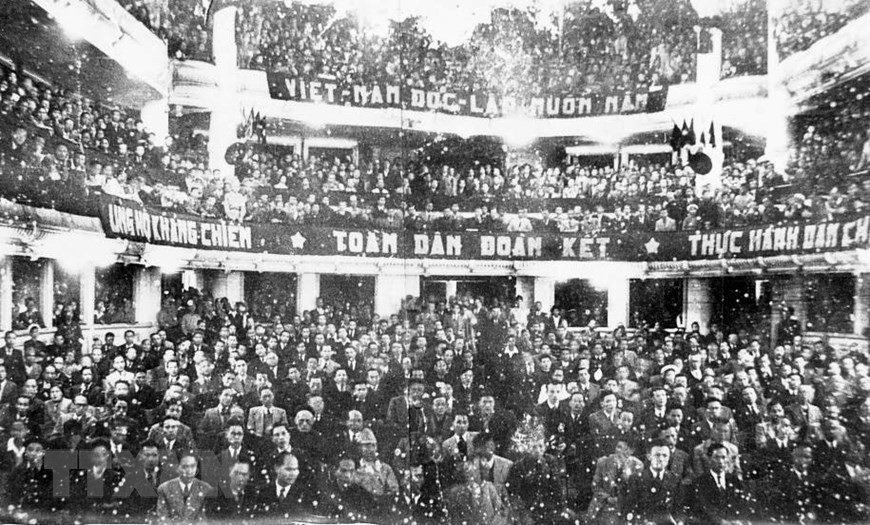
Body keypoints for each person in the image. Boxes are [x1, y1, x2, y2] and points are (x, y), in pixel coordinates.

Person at [156, 452, 214, 522]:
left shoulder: (206, 489)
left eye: (193, 466)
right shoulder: (164, 489)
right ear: (177, 467)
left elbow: (207, 519)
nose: (189, 470)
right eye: (185, 467)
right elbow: (163, 518)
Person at [444, 459, 504, 525]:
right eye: (465, 473)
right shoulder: (454, 492)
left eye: (469, 473)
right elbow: (454, 515)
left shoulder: (488, 487)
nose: (467, 476)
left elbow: (500, 509)